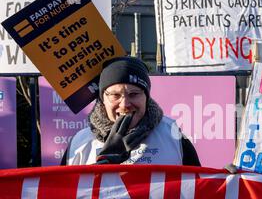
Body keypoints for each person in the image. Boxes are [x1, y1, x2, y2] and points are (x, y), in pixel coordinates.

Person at [61, 56, 201, 166]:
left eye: (134, 94)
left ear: (146, 96)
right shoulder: (80, 143)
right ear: (103, 98)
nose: (125, 104)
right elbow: (65, 196)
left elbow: (197, 191)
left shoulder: (172, 135)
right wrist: (103, 166)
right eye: (115, 95)